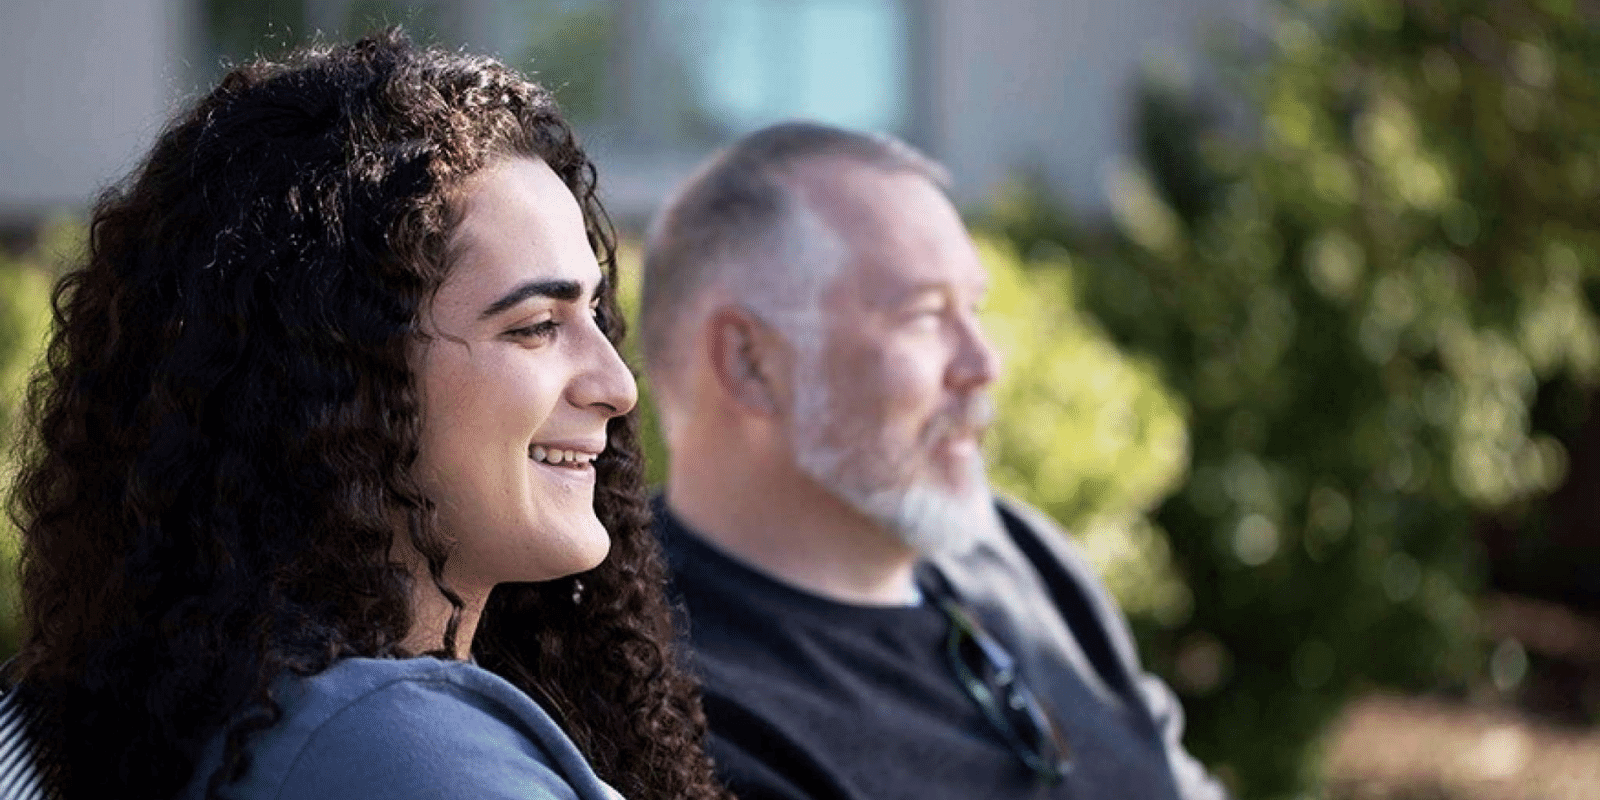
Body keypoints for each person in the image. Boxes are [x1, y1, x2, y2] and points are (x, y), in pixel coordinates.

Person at [3, 31, 730, 800]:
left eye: (596, 317)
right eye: (533, 326)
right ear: (335, 375)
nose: (617, 386)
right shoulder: (386, 745)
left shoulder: (254, 708)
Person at [639, 121, 1230, 800]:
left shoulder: (1022, 556)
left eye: (973, 309)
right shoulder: (666, 705)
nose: (984, 365)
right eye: (924, 315)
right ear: (749, 362)